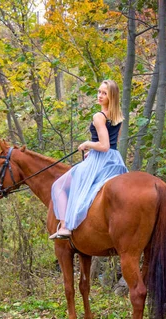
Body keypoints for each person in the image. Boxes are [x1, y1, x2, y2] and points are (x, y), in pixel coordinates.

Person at [49, 79, 128, 239]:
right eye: (99, 92)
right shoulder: (118, 115)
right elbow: (114, 143)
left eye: (104, 93)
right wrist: (92, 152)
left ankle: (64, 226)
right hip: (114, 160)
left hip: (100, 160)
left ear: (111, 96)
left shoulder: (99, 116)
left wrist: (87, 144)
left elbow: (104, 145)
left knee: (58, 186)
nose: (100, 96)